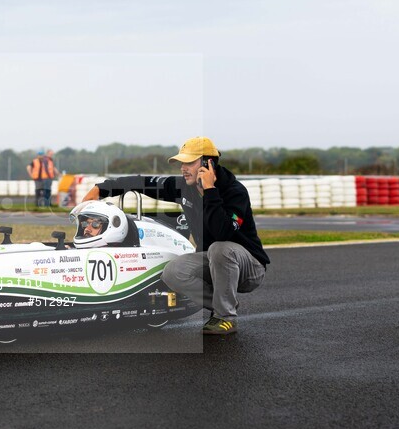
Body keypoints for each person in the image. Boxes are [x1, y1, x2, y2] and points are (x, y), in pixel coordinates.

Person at [82, 136, 269, 335]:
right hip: (214, 262)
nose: (183, 167)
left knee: (219, 248)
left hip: (249, 267)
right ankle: (223, 304)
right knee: (173, 273)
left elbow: (223, 232)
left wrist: (210, 191)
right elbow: (143, 182)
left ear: (209, 163)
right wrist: (101, 188)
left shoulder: (234, 191)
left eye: (189, 162)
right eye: (181, 162)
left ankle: (226, 318)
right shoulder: (184, 187)